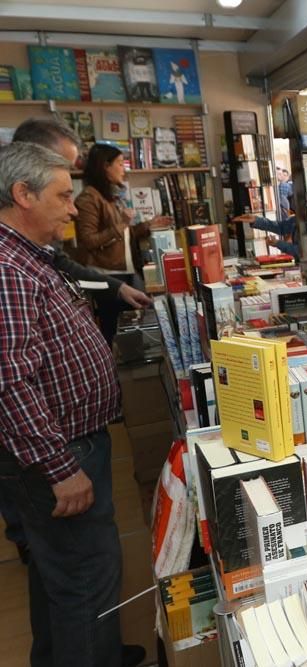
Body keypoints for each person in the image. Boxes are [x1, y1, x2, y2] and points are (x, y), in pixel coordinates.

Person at [0, 141, 124, 666]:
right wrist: (60, 467)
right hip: (57, 455)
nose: (73, 207)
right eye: (61, 196)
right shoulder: (8, 269)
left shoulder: (29, 255)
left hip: (66, 445)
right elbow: (9, 382)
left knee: (63, 580)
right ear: (21, 194)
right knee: (86, 580)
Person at [12, 119, 153, 310]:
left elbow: (59, 261)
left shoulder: (108, 197)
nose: (73, 210)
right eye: (60, 166)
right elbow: (89, 241)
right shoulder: (9, 268)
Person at [74, 143, 171, 344]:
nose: (123, 169)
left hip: (123, 271)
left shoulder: (108, 197)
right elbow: (88, 240)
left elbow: (122, 236)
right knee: (116, 330)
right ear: (105, 166)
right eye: (119, 163)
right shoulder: (88, 198)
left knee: (131, 328)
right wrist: (121, 224)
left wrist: (147, 226)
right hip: (105, 275)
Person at [232, 213, 299, 259]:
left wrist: (278, 243)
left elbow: (300, 251)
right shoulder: (300, 216)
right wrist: (256, 220)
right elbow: (281, 227)